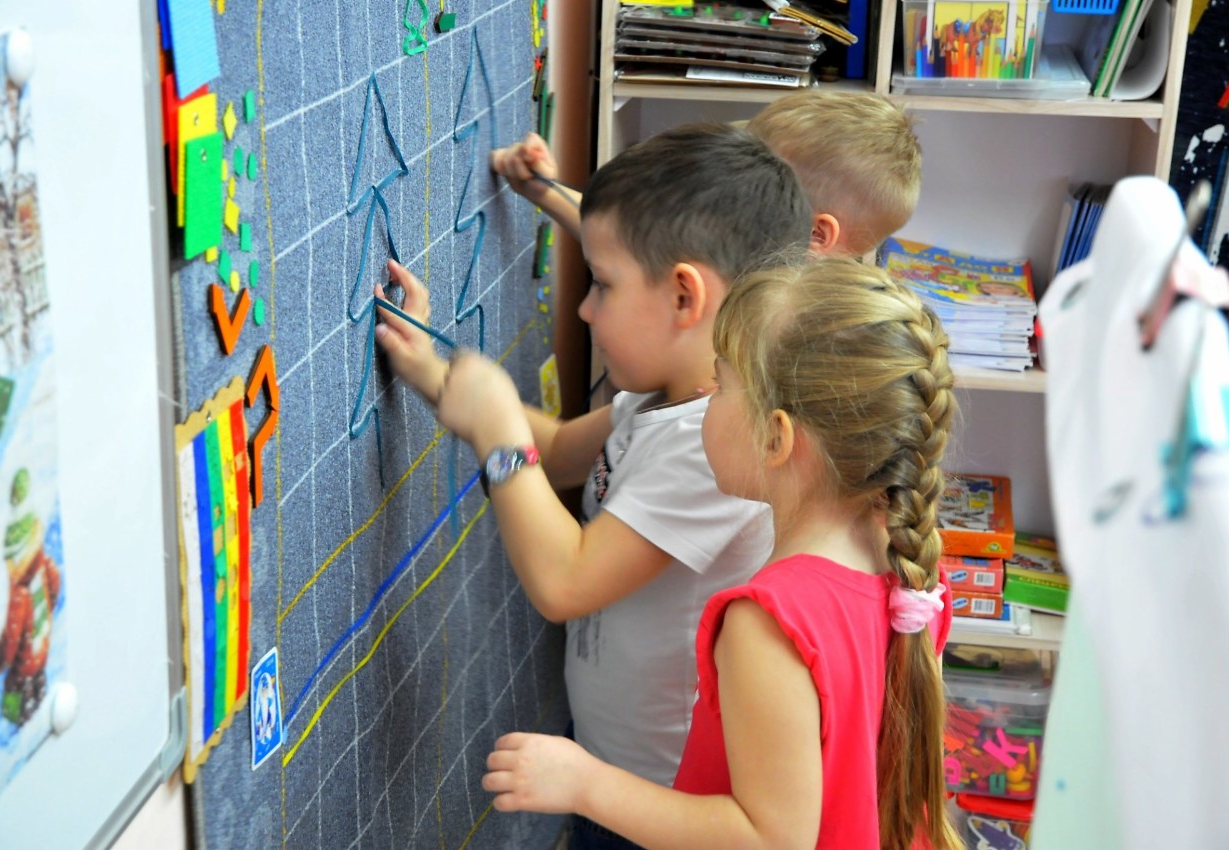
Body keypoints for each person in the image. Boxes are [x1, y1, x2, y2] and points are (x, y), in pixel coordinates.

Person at [376, 123, 812, 849]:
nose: (584, 308)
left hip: (661, 810)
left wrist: (497, 432)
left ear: (685, 297)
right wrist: (430, 369)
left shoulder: (715, 448)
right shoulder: (664, 397)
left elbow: (564, 581)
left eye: (602, 286)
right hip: (616, 770)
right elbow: (554, 452)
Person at [479, 258, 964, 850]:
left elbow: (770, 840)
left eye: (721, 383)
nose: (705, 396)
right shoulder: (913, 572)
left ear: (776, 437)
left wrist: (586, 784)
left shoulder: (769, 622)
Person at [491, 89, 921, 258]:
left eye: (753, 171)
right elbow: (630, 239)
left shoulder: (775, 318)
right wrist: (542, 189)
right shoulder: (754, 243)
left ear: (815, 233)